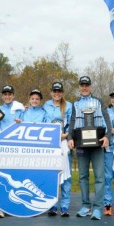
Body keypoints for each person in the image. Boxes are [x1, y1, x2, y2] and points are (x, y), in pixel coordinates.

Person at [67, 76, 111, 221]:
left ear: (90, 87)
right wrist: (70, 138)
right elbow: (72, 122)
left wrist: (107, 136)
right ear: (79, 87)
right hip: (81, 145)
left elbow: (108, 121)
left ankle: (98, 207)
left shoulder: (98, 102)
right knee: (82, 176)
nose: (84, 88)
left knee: (99, 177)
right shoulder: (76, 104)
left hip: (97, 144)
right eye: (82, 85)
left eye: (87, 85)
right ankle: (85, 206)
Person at [0, 85, 25, 218]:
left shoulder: (20, 109)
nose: (7, 96)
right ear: (2, 96)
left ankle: (16, 206)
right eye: (5, 94)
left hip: (16, 148)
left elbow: (24, 125)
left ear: (13, 95)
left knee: (16, 177)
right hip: (1, 148)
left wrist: (20, 122)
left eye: (9, 94)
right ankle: (0, 208)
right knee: (2, 178)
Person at [43, 82, 73, 217]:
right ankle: (52, 205)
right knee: (52, 175)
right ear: (51, 92)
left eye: (59, 91)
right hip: (50, 144)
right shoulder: (46, 105)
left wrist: (66, 135)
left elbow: (72, 124)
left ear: (62, 92)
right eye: (54, 91)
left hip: (63, 142)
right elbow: (43, 123)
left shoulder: (69, 106)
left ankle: (65, 206)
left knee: (65, 175)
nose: (57, 93)